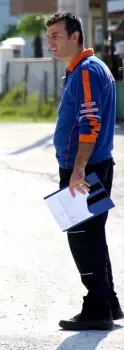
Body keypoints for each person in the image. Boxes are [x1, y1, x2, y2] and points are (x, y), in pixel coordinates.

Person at [46, 12, 123, 330]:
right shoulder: (81, 70)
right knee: (92, 235)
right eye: (48, 36)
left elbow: (90, 124)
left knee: (82, 237)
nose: (51, 42)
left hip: (86, 168)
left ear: (76, 36)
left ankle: (96, 309)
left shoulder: (87, 71)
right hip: (89, 165)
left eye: (57, 35)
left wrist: (77, 170)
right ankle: (109, 302)